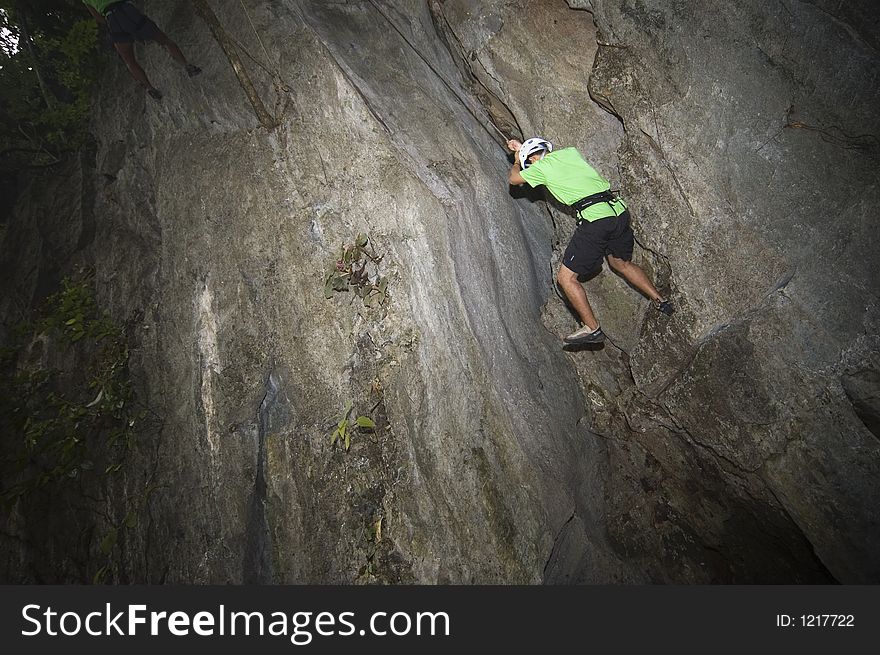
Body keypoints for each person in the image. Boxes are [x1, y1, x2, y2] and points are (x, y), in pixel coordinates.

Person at [507, 137, 673, 345]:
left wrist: (516, 161)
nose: (528, 168)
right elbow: (542, 156)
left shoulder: (542, 167)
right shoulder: (569, 152)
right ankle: (661, 300)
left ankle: (592, 328)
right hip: (618, 212)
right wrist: (523, 149)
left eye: (528, 164)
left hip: (596, 220)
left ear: (532, 158)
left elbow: (514, 179)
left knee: (566, 279)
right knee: (620, 263)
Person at [82, 1, 202, 101]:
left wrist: (110, 22)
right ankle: (188, 67)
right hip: (127, 10)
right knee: (163, 40)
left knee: (129, 61)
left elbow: (98, 18)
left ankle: (150, 88)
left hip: (112, 20)